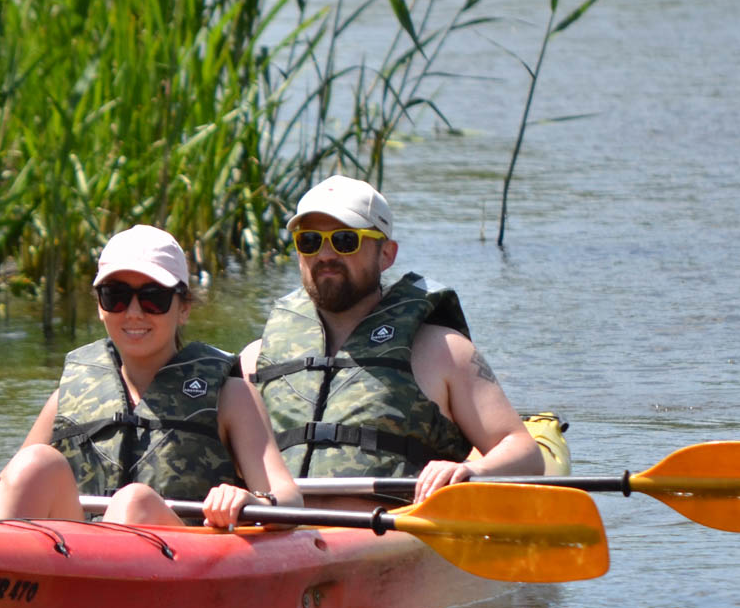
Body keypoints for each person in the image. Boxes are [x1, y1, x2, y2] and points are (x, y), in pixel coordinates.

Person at [238, 175, 558, 505]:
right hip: (275, 532)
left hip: (392, 532)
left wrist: (471, 472)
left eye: (345, 240)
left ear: (386, 254)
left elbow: (523, 452)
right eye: (309, 241)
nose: (326, 254)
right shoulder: (255, 359)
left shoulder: (443, 351)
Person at [0, 225, 302, 529]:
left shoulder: (232, 396)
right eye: (116, 297)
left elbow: (288, 499)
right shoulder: (68, 396)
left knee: (133, 502)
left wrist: (252, 502)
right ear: (100, 306)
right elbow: (13, 485)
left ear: (183, 309)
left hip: (182, 567)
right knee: (34, 464)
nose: (134, 313)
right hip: (77, 566)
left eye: (153, 299)